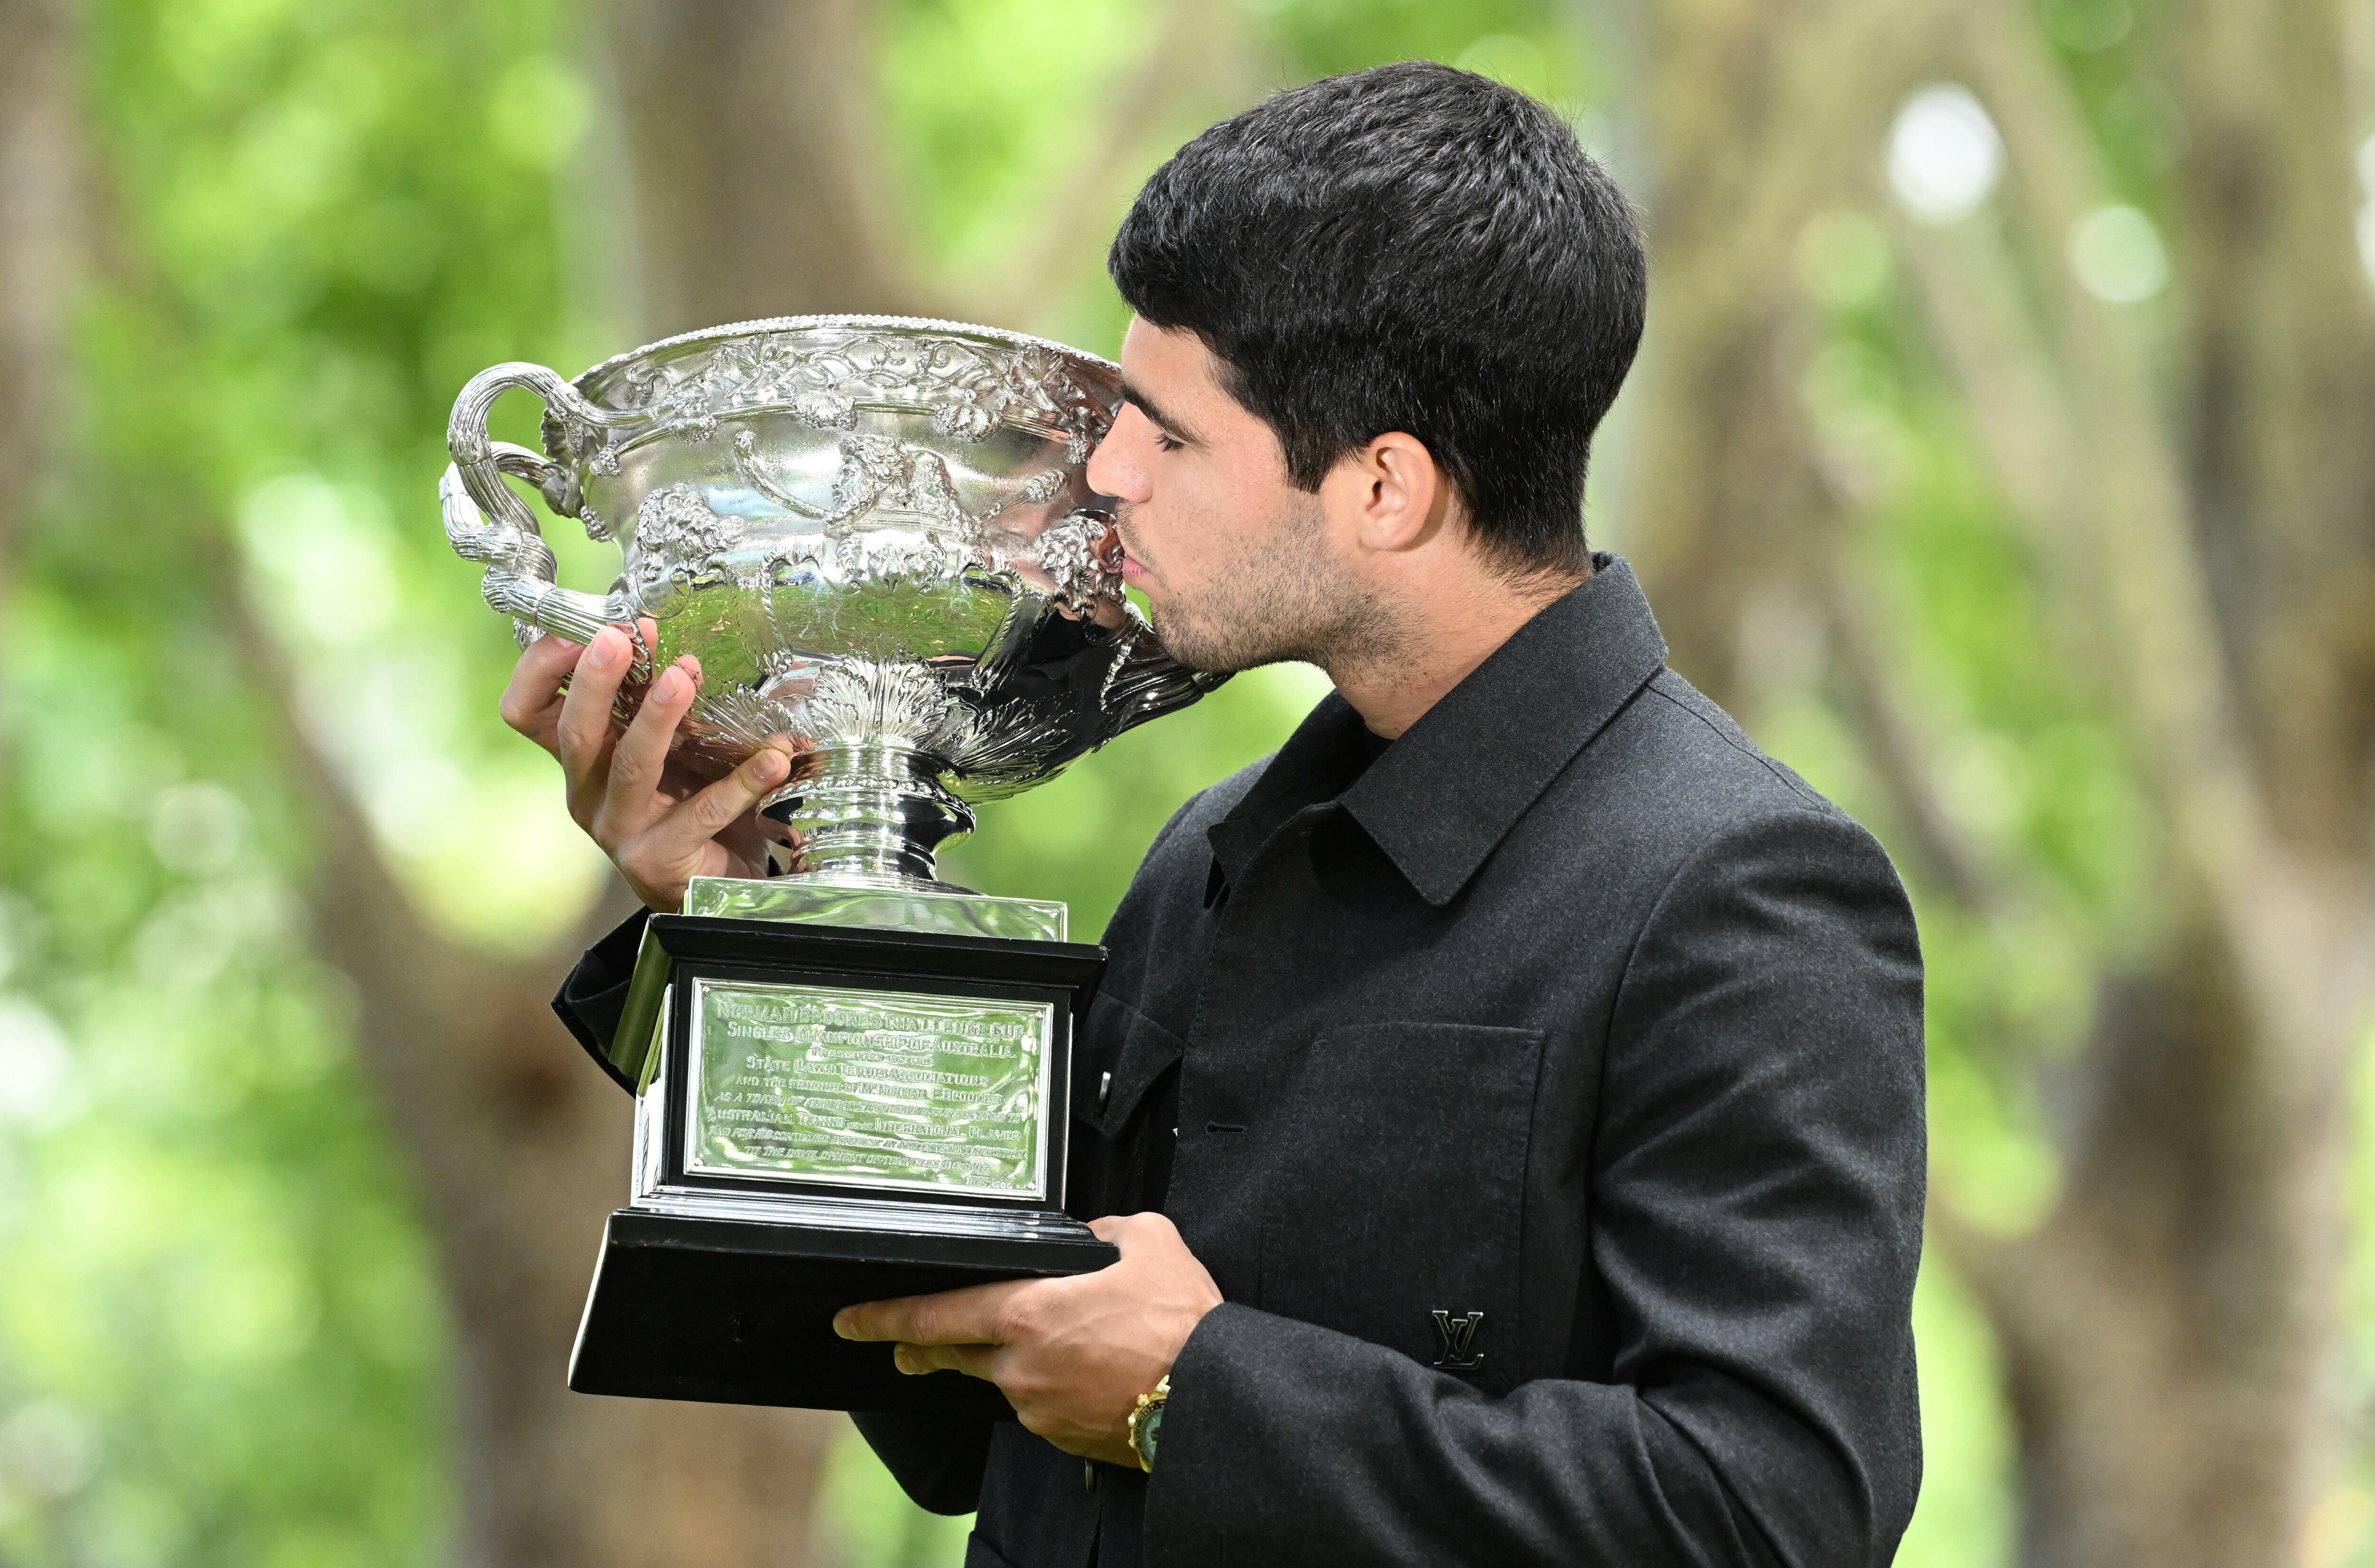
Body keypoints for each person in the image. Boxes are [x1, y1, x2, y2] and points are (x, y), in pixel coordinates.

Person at [509, 61, 1925, 1568]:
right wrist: (760, 929)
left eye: (1169, 436)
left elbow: (1774, 1513)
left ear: (1387, 490)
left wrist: (1197, 1394)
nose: (1105, 475)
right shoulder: (1206, 855)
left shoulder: (1744, 889)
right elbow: (952, 1389)